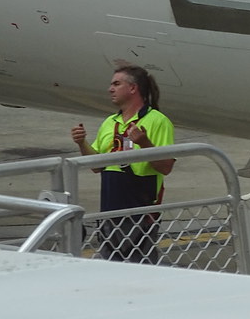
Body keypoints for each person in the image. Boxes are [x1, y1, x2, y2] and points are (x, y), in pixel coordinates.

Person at [70, 64, 175, 261]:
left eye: (116, 84)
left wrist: (144, 142)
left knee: (140, 263)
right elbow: (96, 165)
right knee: (112, 262)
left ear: (133, 88)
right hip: (110, 208)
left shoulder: (157, 121)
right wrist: (82, 142)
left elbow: (165, 166)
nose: (110, 89)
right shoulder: (110, 122)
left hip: (140, 210)